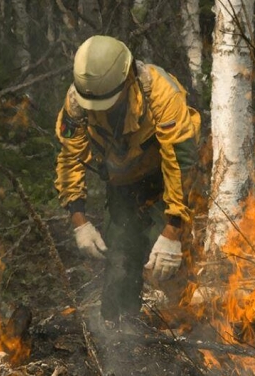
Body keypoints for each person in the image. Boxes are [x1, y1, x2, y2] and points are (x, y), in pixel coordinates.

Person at [54, 35, 201, 322]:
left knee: (169, 265)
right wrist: (79, 222)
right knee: (119, 261)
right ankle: (121, 338)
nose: (99, 110)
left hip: (165, 183)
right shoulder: (77, 103)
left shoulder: (161, 93)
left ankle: (186, 336)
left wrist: (173, 230)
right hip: (122, 186)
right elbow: (70, 158)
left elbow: (181, 163)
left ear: (128, 77)